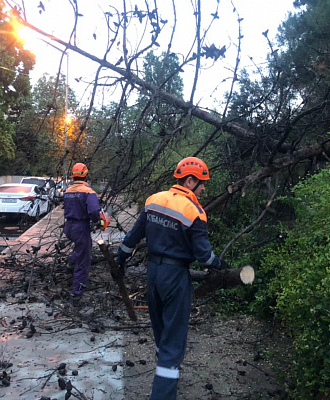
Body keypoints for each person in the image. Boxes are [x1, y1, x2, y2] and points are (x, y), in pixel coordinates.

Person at [115, 156, 227, 400]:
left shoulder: (154, 200)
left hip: (153, 274)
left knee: (161, 329)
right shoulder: (194, 211)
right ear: (189, 181)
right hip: (175, 277)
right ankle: (163, 390)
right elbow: (204, 256)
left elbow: (133, 237)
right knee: (174, 342)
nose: (204, 188)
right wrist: (221, 266)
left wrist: (120, 259)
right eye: (202, 183)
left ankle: (164, 370)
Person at [63, 162, 101, 306]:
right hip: (80, 227)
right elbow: (93, 212)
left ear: (73, 176)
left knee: (80, 250)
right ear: (86, 175)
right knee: (84, 261)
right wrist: (98, 221)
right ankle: (77, 295)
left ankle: (71, 262)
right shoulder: (88, 192)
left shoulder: (68, 191)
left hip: (69, 226)